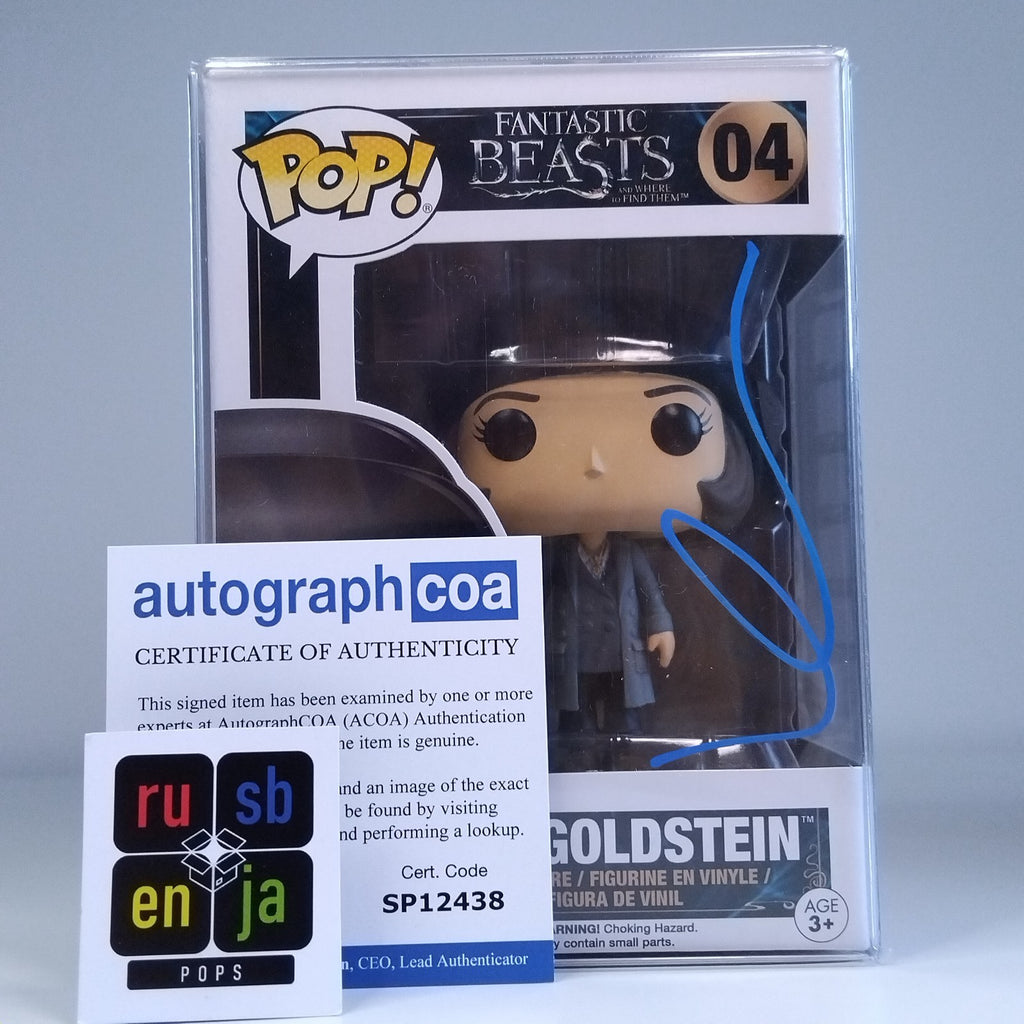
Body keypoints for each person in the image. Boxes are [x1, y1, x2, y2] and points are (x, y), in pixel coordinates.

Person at [457, 370, 753, 768]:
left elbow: (650, 593)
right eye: (508, 434)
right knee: (574, 718)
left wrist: (661, 627)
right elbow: (536, 598)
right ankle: (578, 757)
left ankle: (623, 757)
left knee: (624, 717)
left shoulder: (629, 554)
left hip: (621, 653)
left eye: (675, 428)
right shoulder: (557, 557)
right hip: (573, 652)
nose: (594, 463)